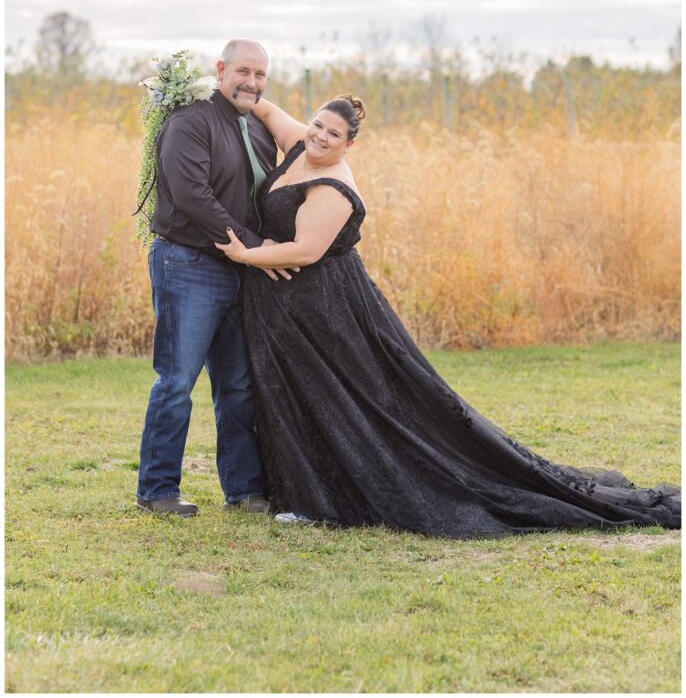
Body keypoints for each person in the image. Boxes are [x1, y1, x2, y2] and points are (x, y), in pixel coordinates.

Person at [215, 94, 680, 537]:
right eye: (317, 124)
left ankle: (327, 501)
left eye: (333, 134)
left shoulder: (332, 184)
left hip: (328, 311)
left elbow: (308, 249)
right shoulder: (302, 144)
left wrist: (246, 254)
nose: (320, 136)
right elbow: (266, 107)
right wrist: (215, 93)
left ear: (349, 144)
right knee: (293, 393)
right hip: (284, 309)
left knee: (344, 399)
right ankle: (303, 495)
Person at [136, 39, 292, 517]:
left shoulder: (256, 127)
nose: (252, 82)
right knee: (177, 380)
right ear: (221, 69)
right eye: (243, 71)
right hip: (189, 264)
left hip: (240, 270)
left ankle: (243, 492)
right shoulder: (190, 120)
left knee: (238, 385)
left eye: (260, 74)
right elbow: (191, 194)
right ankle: (157, 490)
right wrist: (252, 245)